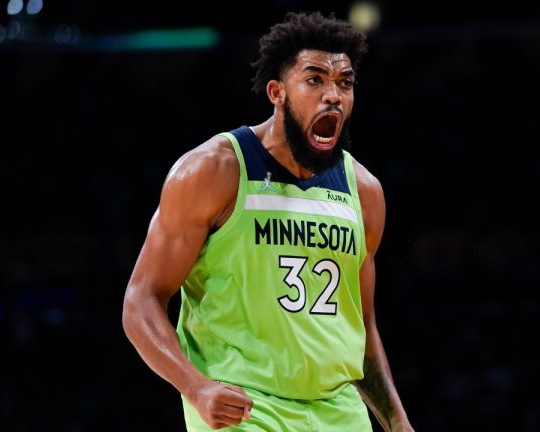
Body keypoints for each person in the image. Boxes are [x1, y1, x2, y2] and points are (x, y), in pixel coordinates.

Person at [122, 10, 414, 432]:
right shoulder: (214, 171)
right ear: (277, 92)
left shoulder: (364, 192)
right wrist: (196, 387)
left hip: (338, 410)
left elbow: (362, 327)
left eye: (344, 83)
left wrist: (397, 422)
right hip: (243, 408)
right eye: (315, 80)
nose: (333, 95)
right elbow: (141, 298)